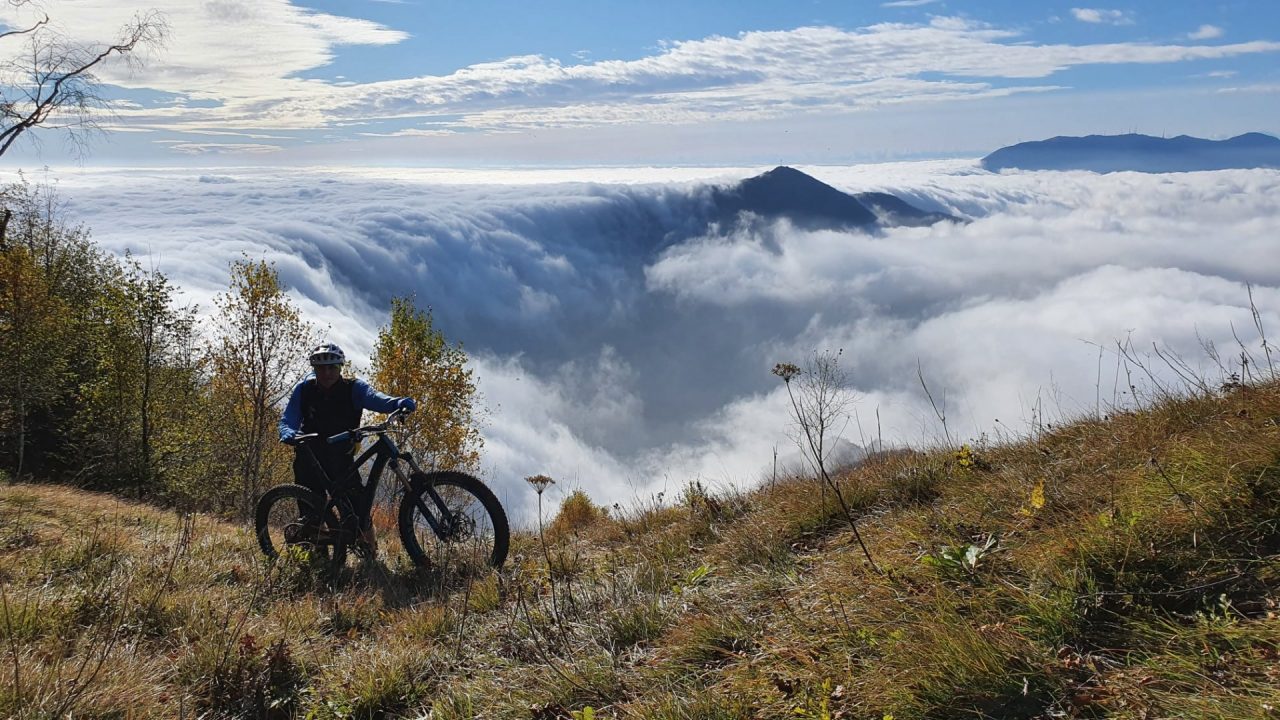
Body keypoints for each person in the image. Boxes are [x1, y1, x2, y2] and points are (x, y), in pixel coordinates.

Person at [278, 343, 416, 551]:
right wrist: (287, 432)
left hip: (341, 459)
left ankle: (369, 552)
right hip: (309, 458)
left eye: (331, 367)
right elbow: (289, 417)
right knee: (310, 513)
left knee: (357, 510)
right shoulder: (304, 390)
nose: (326, 373)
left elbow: (375, 399)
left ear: (340, 367)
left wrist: (397, 403)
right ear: (314, 369)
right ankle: (313, 554)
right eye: (320, 368)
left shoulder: (354, 388)